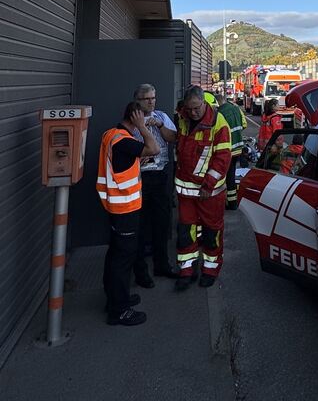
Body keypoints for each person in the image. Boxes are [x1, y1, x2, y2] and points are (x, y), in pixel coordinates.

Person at [96, 101, 159, 326]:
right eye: (142, 118)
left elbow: (120, 165)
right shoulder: (124, 139)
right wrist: (142, 128)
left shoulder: (111, 134)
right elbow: (154, 149)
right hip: (124, 208)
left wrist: (135, 160)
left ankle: (115, 298)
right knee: (123, 259)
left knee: (115, 255)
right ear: (134, 117)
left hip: (116, 205)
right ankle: (119, 310)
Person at [174, 85, 231, 290]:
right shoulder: (182, 117)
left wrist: (208, 184)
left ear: (204, 102)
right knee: (185, 231)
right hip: (186, 191)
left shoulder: (218, 124)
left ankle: (210, 269)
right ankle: (186, 270)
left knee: (211, 232)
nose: (193, 113)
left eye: (197, 108)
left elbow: (222, 159)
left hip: (210, 193)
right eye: (189, 109)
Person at [131, 83, 178, 288]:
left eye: (153, 97)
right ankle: (140, 272)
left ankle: (162, 265)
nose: (151, 101)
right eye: (146, 98)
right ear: (138, 101)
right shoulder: (132, 119)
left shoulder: (162, 116)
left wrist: (159, 125)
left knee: (161, 223)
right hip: (139, 179)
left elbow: (173, 138)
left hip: (160, 176)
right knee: (140, 226)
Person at [214, 92, 247, 210]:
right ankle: (233, 202)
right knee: (231, 176)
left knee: (223, 177)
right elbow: (244, 124)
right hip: (238, 148)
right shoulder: (236, 108)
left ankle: (226, 202)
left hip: (227, 149)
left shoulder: (220, 113)